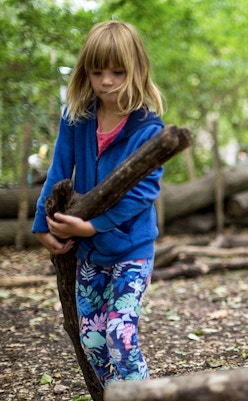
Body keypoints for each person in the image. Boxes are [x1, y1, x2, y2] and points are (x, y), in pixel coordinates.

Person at [32, 21, 165, 387]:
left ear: (136, 69)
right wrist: (42, 225)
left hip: (131, 249)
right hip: (89, 253)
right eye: (97, 71)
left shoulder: (147, 128)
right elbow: (59, 170)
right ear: (85, 72)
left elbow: (144, 192)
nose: (107, 81)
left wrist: (92, 225)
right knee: (93, 342)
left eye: (118, 72)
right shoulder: (77, 117)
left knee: (120, 339)